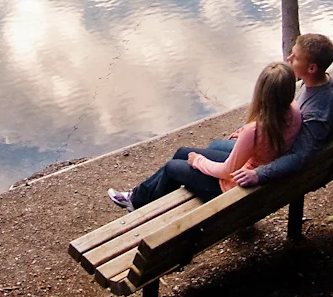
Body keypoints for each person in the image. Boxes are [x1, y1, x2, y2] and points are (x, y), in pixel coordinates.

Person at [107, 31, 333, 209]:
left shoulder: (316, 110)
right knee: (205, 148)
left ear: (311, 68)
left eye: (296, 57)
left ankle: (142, 206)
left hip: (258, 176)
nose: (289, 58)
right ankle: (138, 196)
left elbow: (299, 157)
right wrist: (247, 133)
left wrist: (255, 172)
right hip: (271, 147)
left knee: (176, 165)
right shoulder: (317, 89)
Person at [109, 62, 299, 209]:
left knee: (172, 168)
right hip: (257, 175)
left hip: (235, 187)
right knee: (182, 152)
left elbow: (226, 171)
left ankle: (139, 205)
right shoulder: (294, 111)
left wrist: (198, 161)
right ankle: (138, 196)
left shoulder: (255, 131)